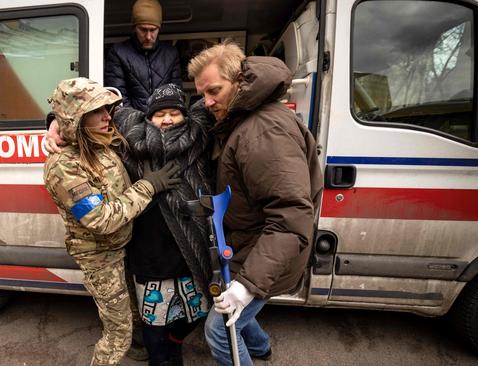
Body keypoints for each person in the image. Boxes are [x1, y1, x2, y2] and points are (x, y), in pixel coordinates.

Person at [46, 84, 215, 366]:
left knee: (140, 319)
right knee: (118, 335)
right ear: (77, 120)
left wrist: (53, 123)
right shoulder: (65, 166)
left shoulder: (103, 140)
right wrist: (148, 186)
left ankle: (148, 352)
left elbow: (135, 120)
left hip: (126, 247)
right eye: (97, 111)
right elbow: (100, 219)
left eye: (106, 109)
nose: (107, 116)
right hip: (102, 258)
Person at [187, 42, 323, 366]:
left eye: (213, 91)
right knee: (236, 314)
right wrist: (60, 124)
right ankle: (261, 349)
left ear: (239, 81)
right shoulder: (241, 117)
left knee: (220, 331)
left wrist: (247, 285)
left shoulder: (262, 131)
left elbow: (291, 215)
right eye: (202, 94)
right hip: (251, 245)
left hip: (265, 251)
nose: (206, 102)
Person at [114, 84, 214, 366]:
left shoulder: (198, 137)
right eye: (159, 114)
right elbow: (92, 112)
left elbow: (220, 99)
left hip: (189, 249)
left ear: (185, 116)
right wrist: (54, 124)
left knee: (197, 312)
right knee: (154, 322)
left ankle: (176, 341)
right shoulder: (132, 142)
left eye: (173, 113)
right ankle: (160, 358)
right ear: (148, 118)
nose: (167, 119)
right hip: (149, 250)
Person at [105, 0, 182, 113]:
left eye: (153, 30)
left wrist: (163, 120)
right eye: (143, 30)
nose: (148, 36)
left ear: (159, 29)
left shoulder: (171, 53)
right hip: (131, 125)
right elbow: (119, 98)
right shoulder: (118, 52)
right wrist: (136, 125)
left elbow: (175, 95)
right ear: (134, 28)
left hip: (163, 122)